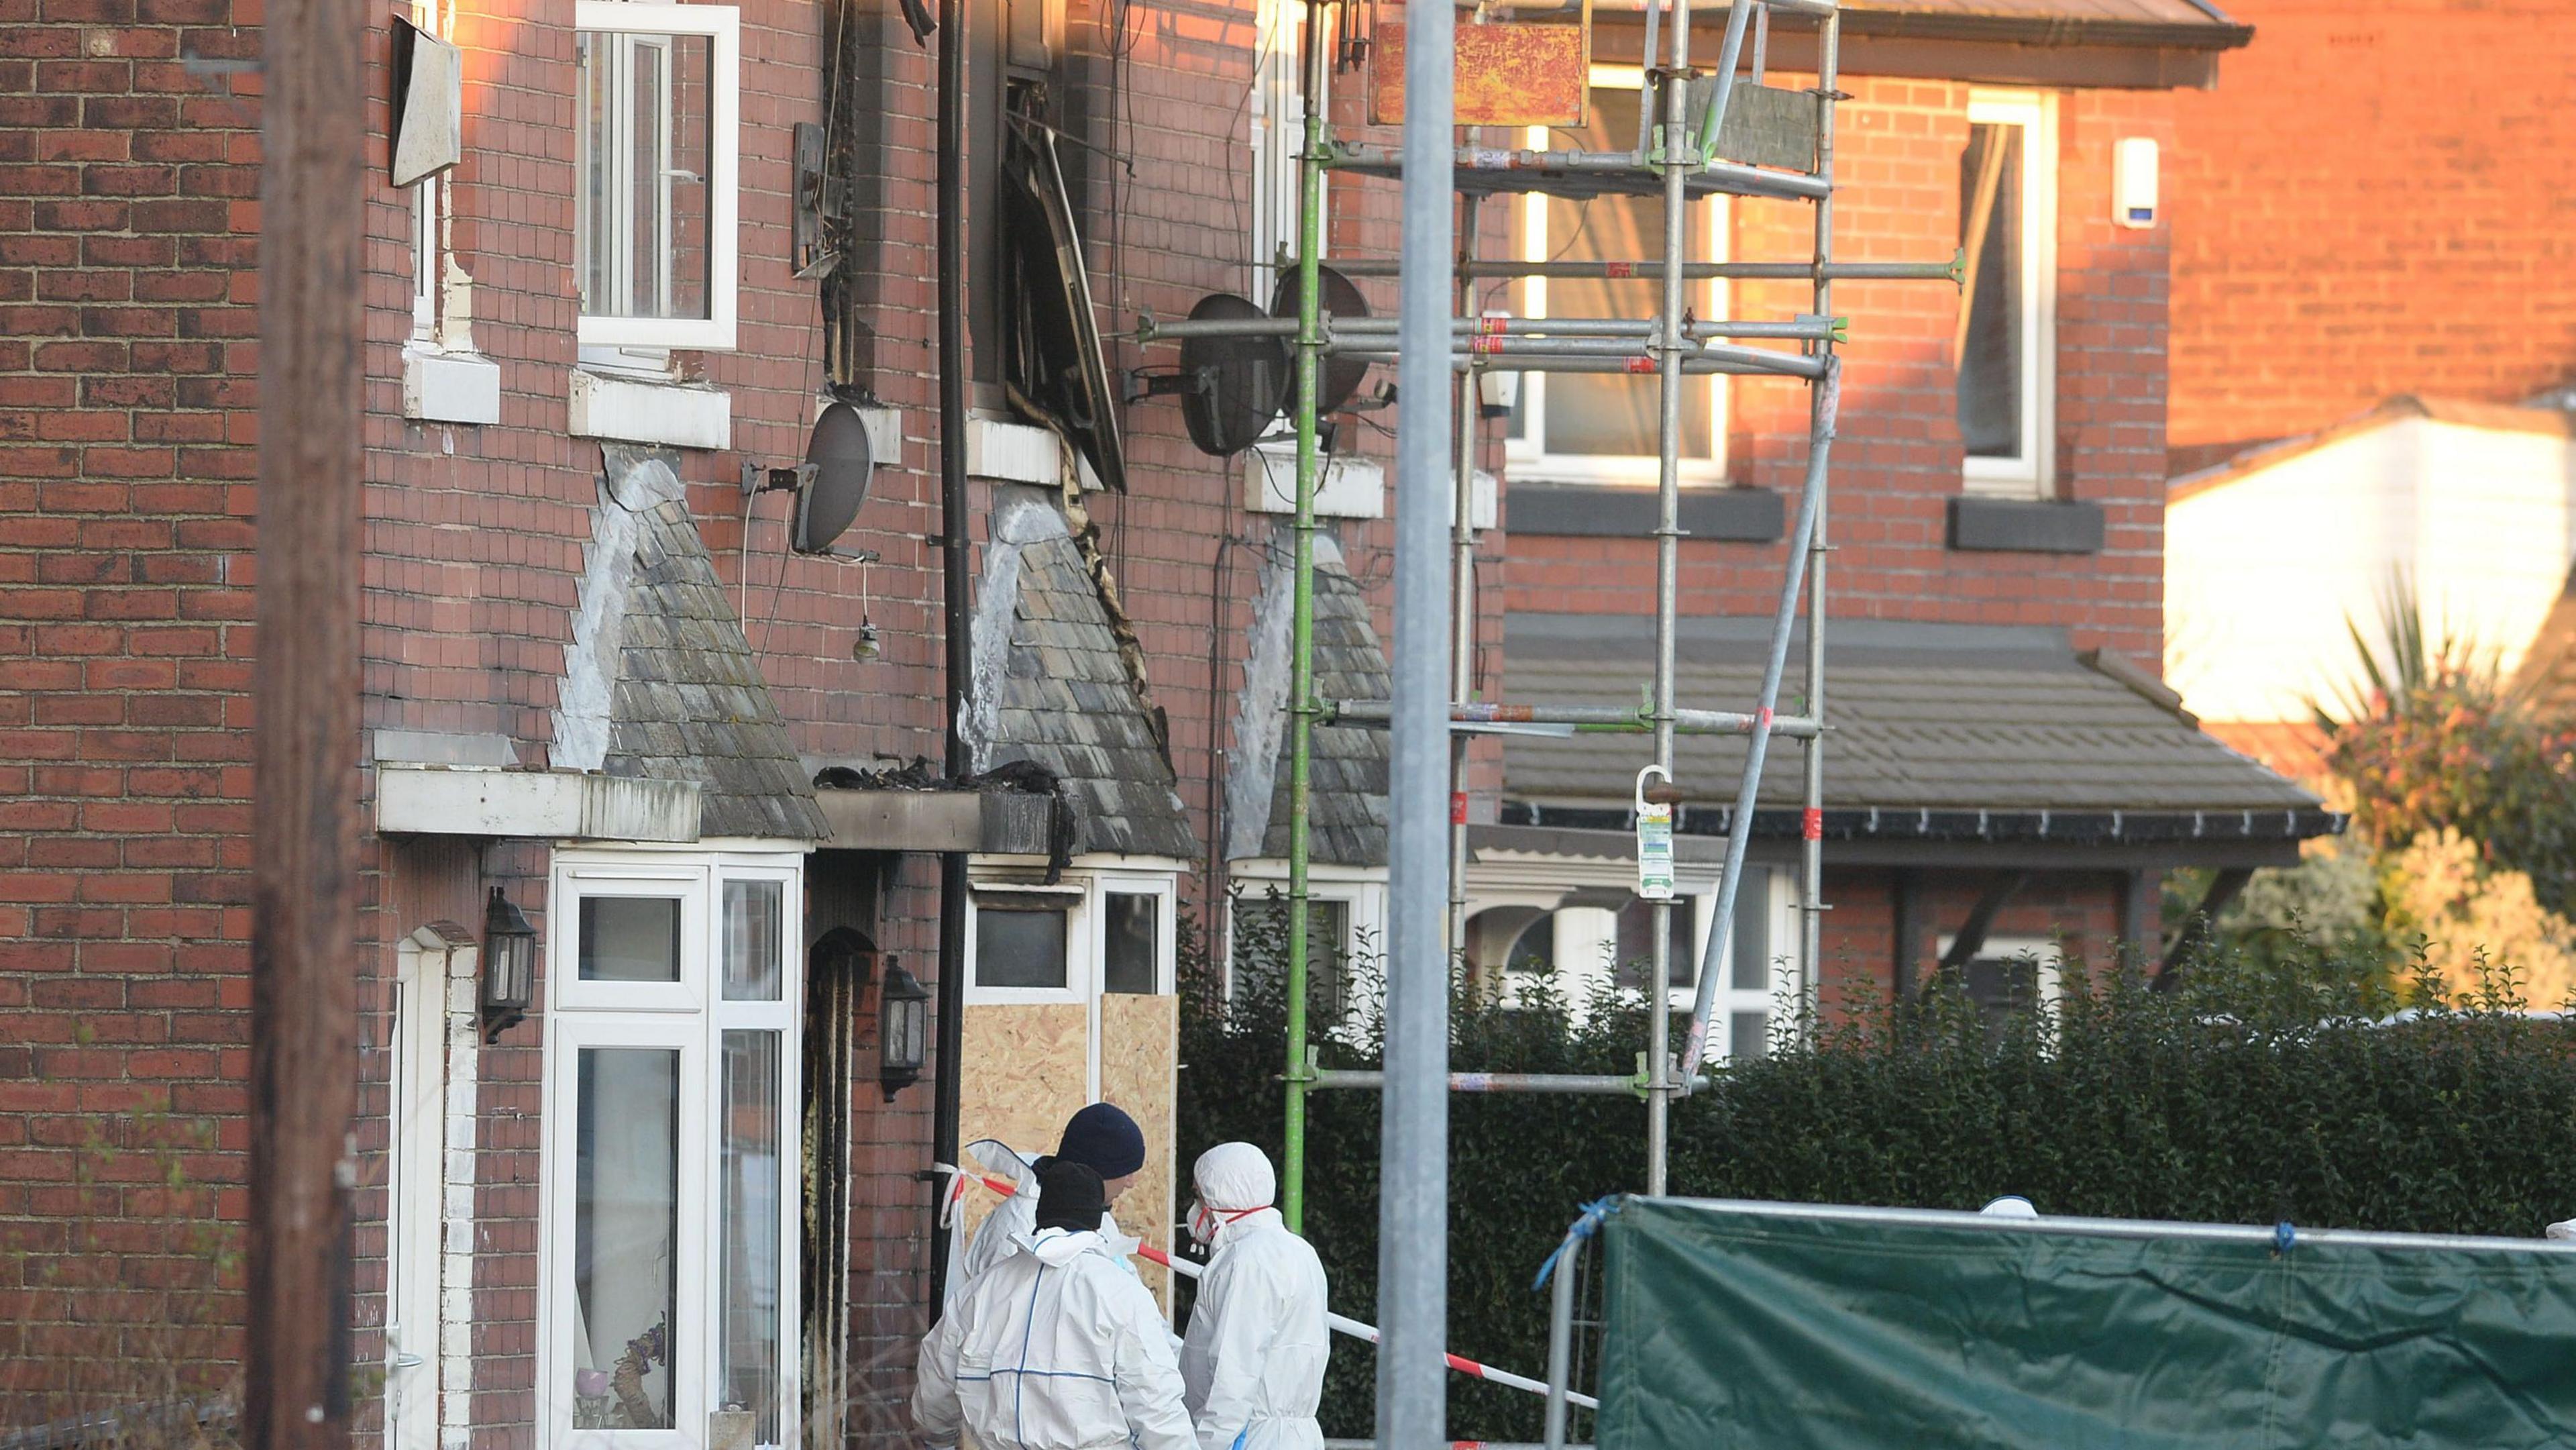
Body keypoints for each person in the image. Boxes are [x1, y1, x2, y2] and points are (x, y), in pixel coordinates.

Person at [915, 1159, 1197, 1450]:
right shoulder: (1120, 1292)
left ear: (1041, 1213)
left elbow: (934, 1393)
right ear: (1096, 1219)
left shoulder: (979, 1293)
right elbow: (1157, 1407)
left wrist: (941, 1441)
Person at [1177, 1143, 1328, 1450]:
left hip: (1250, 1436)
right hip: (1296, 1437)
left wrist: (1208, 1444)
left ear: (1219, 1198)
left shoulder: (1245, 1260)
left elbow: (1233, 1371)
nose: (1194, 1210)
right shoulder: (1299, 1251)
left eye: (1198, 1196)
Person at [963, 1102, 1149, 1282]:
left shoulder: (1100, 1219)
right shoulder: (1018, 1223)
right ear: (1099, 1172)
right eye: (1126, 1172)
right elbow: (999, 1306)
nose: (1130, 1183)